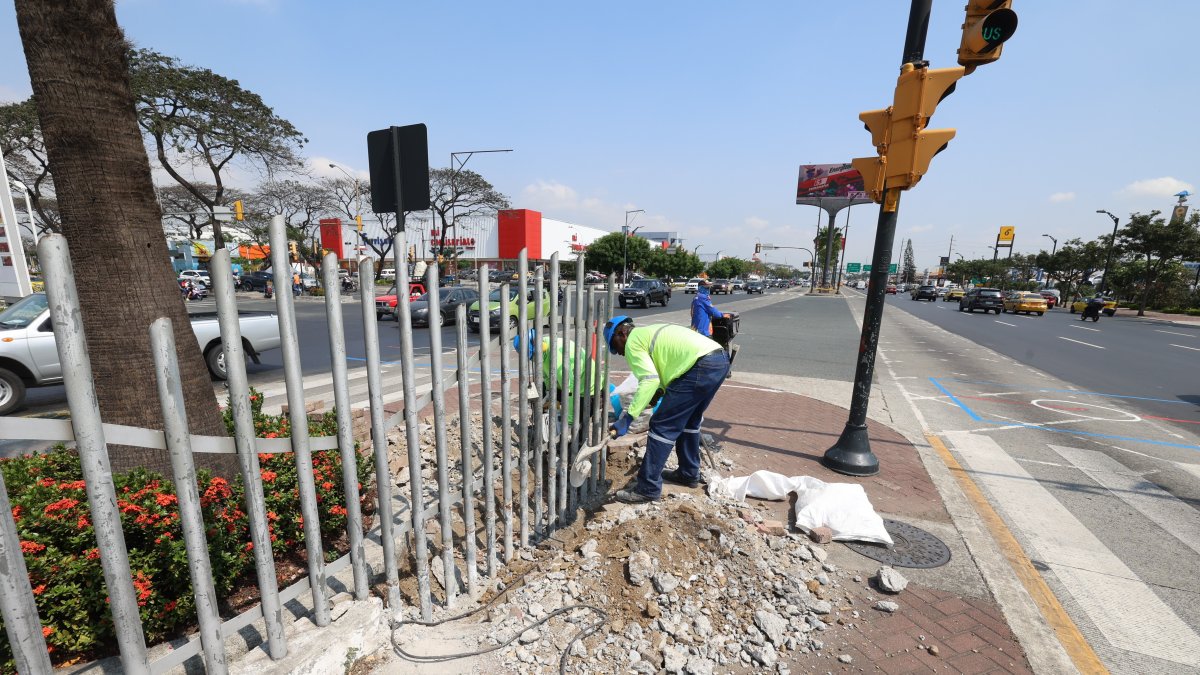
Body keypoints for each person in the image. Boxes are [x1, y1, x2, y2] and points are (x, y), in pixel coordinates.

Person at [603, 315, 729, 503]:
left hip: (699, 365)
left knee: (661, 425)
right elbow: (663, 371)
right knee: (690, 421)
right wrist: (657, 395)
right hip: (719, 360)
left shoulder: (633, 343)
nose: (618, 352)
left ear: (621, 333)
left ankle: (647, 488)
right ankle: (688, 473)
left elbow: (649, 379)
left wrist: (628, 418)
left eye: (615, 346)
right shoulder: (647, 334)